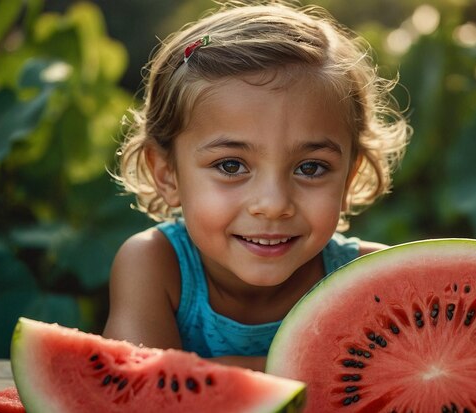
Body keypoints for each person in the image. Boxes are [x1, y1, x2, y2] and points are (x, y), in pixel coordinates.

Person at [103, 0, 410, 372]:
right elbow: (139, 388)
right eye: (231, 166)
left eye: (311, 168)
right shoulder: (155, 264)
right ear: (167, 174)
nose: (273, 203)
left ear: (349, 175)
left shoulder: (372, 277)